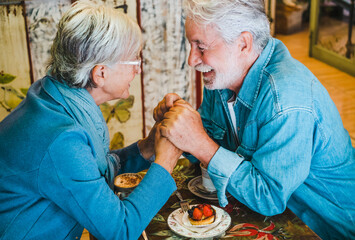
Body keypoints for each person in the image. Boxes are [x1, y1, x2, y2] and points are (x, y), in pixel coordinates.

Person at [154, 0, 355, 239]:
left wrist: (199, 143)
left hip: (323, 227)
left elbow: (268, 197)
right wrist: (183, 124)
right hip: (271, 214)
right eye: (191, 45)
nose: (192, 60)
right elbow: (207, 135)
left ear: (243, 43)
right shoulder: (224, 76)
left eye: (201, 46)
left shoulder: (286, 101)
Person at [0, 1, 182, 239]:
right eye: (135, 61)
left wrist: (148, 148)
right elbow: (120, 230)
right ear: (101, 73)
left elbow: (94, 170)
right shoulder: (61, 138)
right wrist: (166, 161)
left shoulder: (52, 95)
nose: (138, 70)